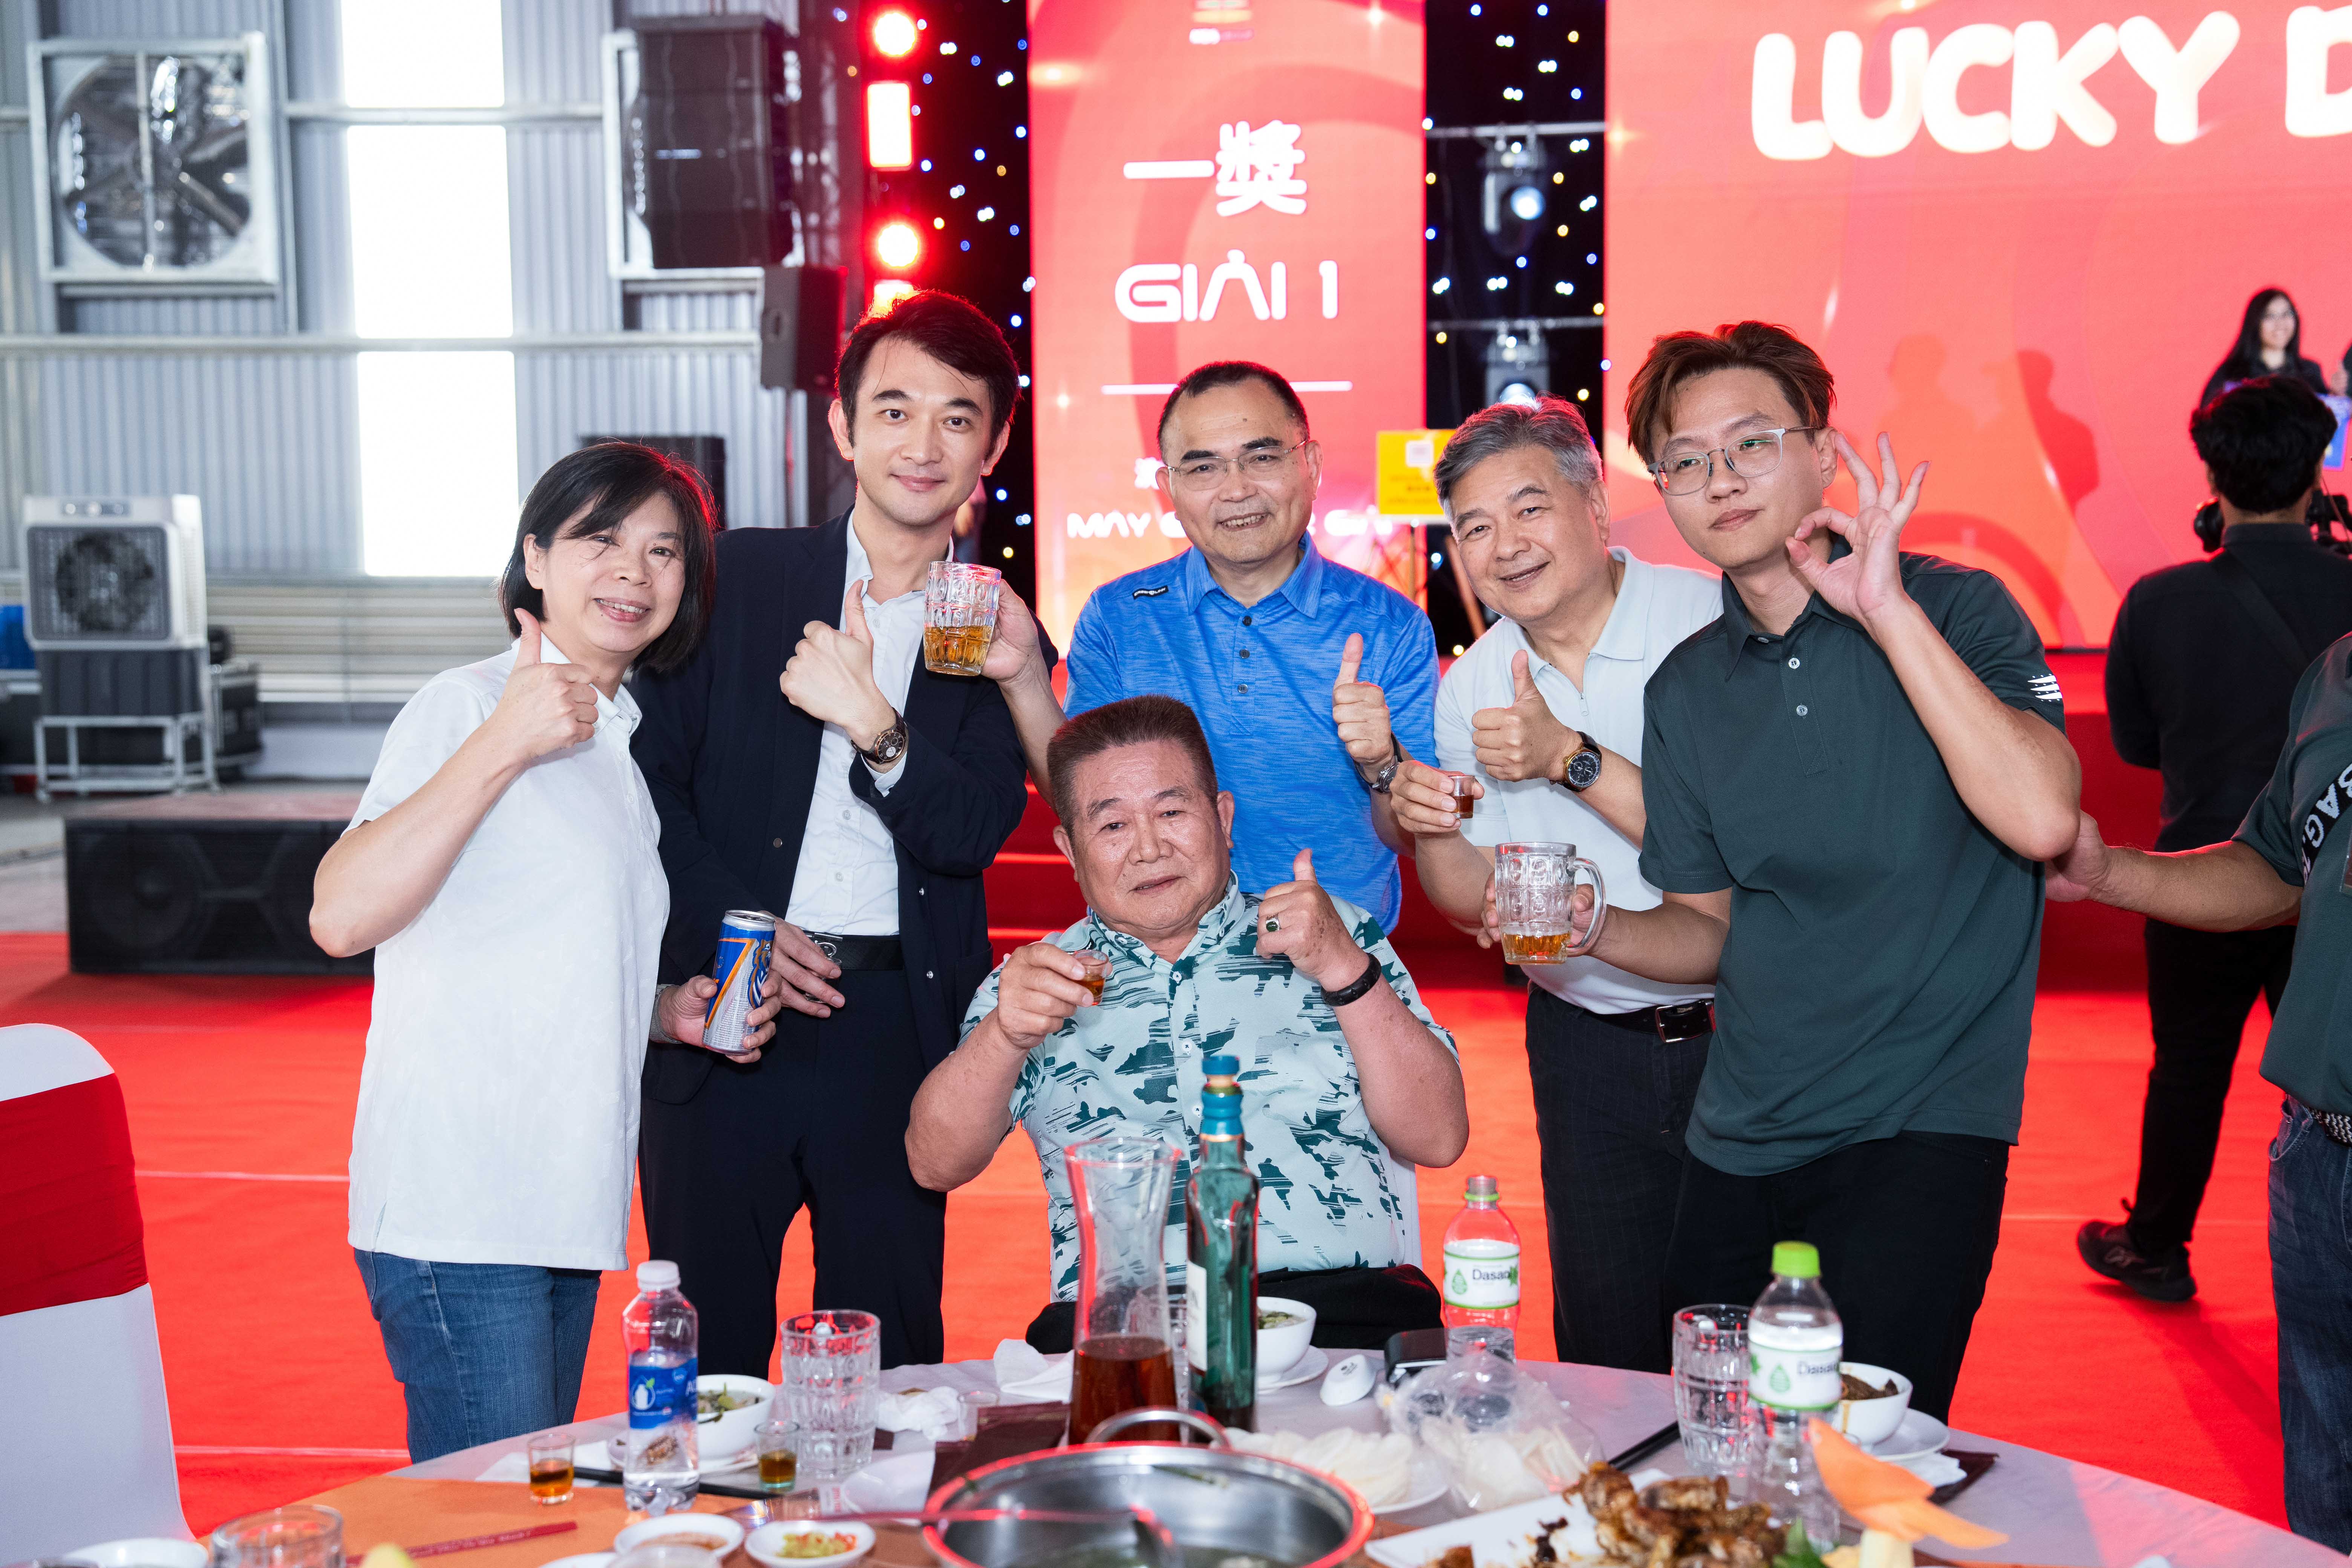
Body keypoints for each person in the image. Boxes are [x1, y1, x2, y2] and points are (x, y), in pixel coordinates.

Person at [1554, 322, 2079, 1423]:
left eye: (1750, 443)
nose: (1719, 479)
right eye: (1685, 460)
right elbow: (1707, 929)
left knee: (1858, 1453)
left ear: (1822, 451)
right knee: (1708, 1442)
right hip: (1740, 1128)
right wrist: (1592, 923)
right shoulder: (1687, 688)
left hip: (1919, 1123)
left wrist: (1885, 612)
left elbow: (2040, 819)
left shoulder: (1956, 609)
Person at [311, 443, 778, 1461]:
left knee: (535, 1505)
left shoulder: (617, 745)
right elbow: (341, 915)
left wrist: (667, 1012)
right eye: (600, 539)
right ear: (534, 558)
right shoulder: (471, 704)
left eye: (664, 552)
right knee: (492, 1520)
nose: (633, 571)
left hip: (562, 1208)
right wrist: (503, 742)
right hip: (460, 1209)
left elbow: (548, 951)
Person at [629, 291, 1038, 1372]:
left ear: (995, 444)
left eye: (958, 417)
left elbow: (971, 830)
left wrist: (876, 727)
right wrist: (741, 926)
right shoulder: (735, 577)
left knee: (888, 1361)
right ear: (844, 427)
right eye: (894, 411)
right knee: (705, 1356)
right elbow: (646, 787)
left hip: (893, 1028)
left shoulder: (986, 625)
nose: (923, 444)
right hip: (730, 1005)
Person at [904, 695, 1469, 1349]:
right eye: (1112, 825)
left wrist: (1346, 971)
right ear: (1069, 848)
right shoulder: (1036, 984)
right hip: (1125, 1332)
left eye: (1172, 812)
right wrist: (1004, 1036)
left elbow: (1440, 1138)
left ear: (1222, 818)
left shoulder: (1330, 936)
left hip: (1335, 1315)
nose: (1149, 849)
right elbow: (934, 1164)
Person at [1380, 396, 1723, 1374]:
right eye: (1475, 528)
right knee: (1607, 1348)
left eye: (1528, 509)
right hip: (1584, 1045)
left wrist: (1565, 757)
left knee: (1746, 1328)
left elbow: (1745, 850)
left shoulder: (1707, 623)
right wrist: (1430, 821)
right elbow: (1467, 896)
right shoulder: (1473, 684)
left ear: (1595, 506)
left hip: (1748, 1036)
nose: (1505, 546)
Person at [2047, 635, 2352, 1550]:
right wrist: (2111, 874)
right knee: (2325, 1493)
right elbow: (2275, 868)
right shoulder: (2335, 674)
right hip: (2318, 1152)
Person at [977, 361, 1439, 931]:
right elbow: (1082, 800)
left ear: (1312, 465)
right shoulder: (1119, 615)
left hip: (1335, 960)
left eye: (1262, 458)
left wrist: (1382, 764)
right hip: (1155, 958)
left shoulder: (1392, 626)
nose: (1237, 489)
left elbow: (1415, 838)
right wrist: (1024, 674)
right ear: (1169, 488)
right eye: (1203, 468)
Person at [2080, 376, 2352, 1301]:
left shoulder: (2157, 601)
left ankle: (2157, 1244)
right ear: (2316, 475)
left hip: (2199, 869)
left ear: (2212, 478)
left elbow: (2134, 743)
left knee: (2188, 1068)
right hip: (2328, 886)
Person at [2200, 288, 2331, 408]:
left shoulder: (2309, 372)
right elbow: (2207, 419)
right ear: (2255, 323)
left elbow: (2328, 419)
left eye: (2287, 314)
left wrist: (2336, 395)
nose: (2280, 324)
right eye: (2270, 316)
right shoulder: (2232, 373)